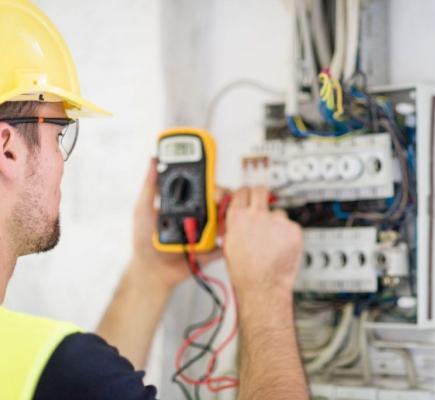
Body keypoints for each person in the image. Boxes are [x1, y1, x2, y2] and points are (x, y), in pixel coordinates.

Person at [0, 1, 309, 399]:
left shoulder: (47, 369)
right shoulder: (55, 368)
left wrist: (149, 274)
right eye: (58, 134)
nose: (61, 160)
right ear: (7, 148)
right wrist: (266, 289)